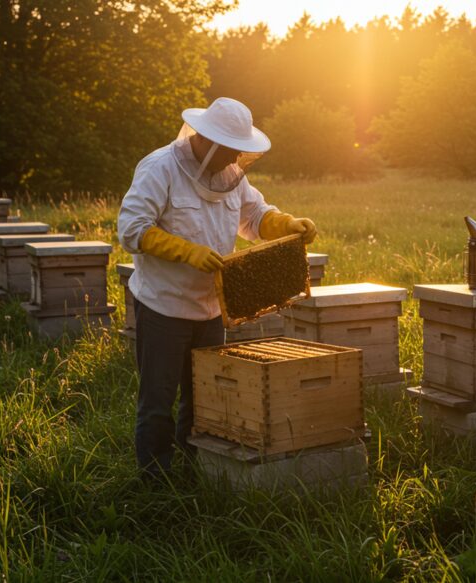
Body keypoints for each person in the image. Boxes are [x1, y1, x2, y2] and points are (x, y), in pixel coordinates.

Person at [117, 97, 316, 481]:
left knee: (205, 397)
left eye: (239, 152)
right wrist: (185, 251)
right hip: (164, 307)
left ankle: (196, 470)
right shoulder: (160, 168)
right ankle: (155, 480)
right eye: (228, 151)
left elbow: (254, 216)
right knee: (158, 402)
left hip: (212, 310)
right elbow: (131, 229)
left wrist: (287, 224)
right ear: (205, 140)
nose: (233, 160)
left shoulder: (230, 175)